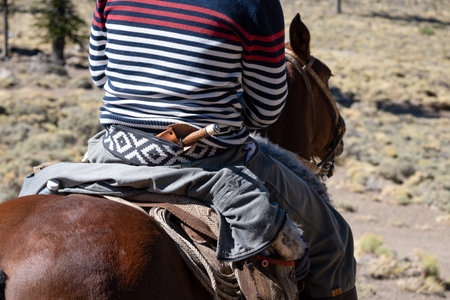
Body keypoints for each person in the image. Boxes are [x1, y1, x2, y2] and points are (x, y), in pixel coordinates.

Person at [87, 0, 357, 299]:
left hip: (115, 151)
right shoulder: (255, 4)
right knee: (334, 240)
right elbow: (265, 111)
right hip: (210, 159)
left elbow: (101, 74)